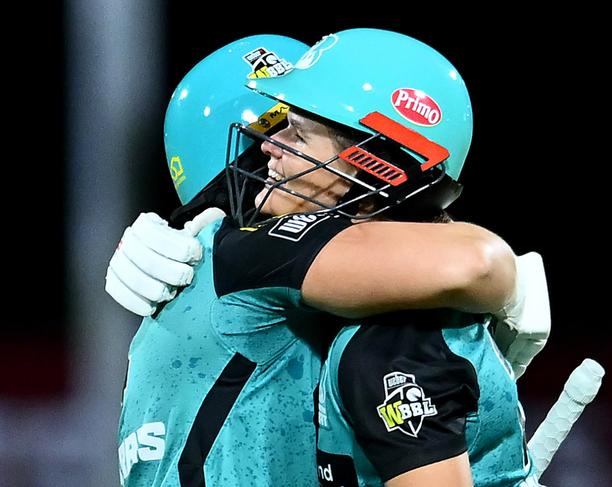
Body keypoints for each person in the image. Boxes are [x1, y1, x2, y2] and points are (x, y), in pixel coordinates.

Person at [107, 29, 546, 486]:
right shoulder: (257, 252)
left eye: (294, 132)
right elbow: (477, 262)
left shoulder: (209, 263)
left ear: (377, 165)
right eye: (276, 128)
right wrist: (515, 291)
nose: (269, 147)